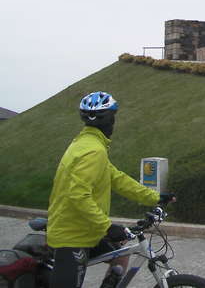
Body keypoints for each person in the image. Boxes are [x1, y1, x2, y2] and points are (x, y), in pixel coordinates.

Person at [47, 91, 175, 288]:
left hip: (86, 230)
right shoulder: (93, 151)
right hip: (72, 234)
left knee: (121, 255)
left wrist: (154, 197)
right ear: (109, 120)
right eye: (114, 118)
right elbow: (78, 196)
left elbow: (117, 179)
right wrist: (107, 226)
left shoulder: (88, 144)